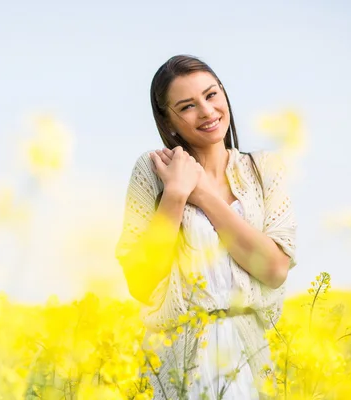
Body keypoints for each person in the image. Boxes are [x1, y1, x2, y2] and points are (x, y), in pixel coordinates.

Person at [114, 55, 297, 399]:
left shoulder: (264, 169)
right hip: (176, 357)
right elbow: (140, 281)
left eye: (211, 95)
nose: (207, 111)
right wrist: (175, 194)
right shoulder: (152, 171)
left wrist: (202, 195)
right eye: (187, 106)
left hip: (250, 354)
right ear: (168, 122)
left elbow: (274, 269)